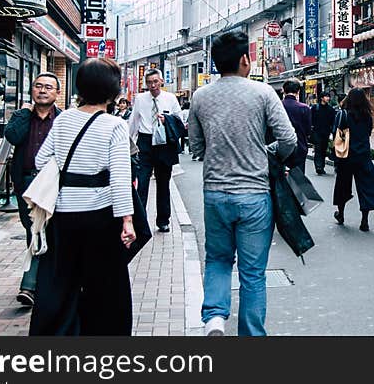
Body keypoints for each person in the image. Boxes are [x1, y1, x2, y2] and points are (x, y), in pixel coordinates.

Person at [187, 31, 297, 336]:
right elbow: (288, 139)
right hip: (254, 195)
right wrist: (268, 153)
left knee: (219, 260)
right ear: (244, 60)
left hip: (215, 194)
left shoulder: (200, 97)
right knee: (252, 274)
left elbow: (195, 148)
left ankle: (214, 320)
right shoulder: (263, 93)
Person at [28, 58, 135, 335]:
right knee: (106, 283)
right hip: (100, 214)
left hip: (63, 213)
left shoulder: (63, 119)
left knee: (62, 279)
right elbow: (120, 178)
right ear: (112, 91)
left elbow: (41, 160)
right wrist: (127, 220)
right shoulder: (114, 125)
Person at [3, 72, 61, 308]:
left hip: (51, 182)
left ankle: (31, 285)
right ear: (32, 91)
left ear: (57, 93)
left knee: (46, 230)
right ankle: (36, 284)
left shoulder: (62, 120)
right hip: (26, 182)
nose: (43, 91)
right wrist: (26, 113)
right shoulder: (21, 116)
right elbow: (13, 136)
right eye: (39, 86)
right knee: (33, 230)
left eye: (49, 87)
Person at [128, 68, 181, 233]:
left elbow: (179, 120)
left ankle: (163, 220)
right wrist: (128, 143)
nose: (152, 85)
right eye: (149, 82)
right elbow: (134, 121)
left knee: (163, 184)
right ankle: (140, 220)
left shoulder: (170, 98)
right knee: (142, 183)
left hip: (164, 143)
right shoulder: (140, 99)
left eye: (155, 82)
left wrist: (167, 120)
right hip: (145, 142)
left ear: (161, 82)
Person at [333, 88, 374, 232]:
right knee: (366, 188)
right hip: (363, 155)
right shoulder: (367, 116)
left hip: (346, 156)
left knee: (343, 186)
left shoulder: (343, 115)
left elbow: (336, 134)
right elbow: (368, 134)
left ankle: (341, 214)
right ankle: (364, 220)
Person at [281, 78, 312, 175]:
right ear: (298, 91)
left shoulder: (277, 105)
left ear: (283, 90)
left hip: (280, 147)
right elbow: (308, 130)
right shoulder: (304, 108)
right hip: (299, 146)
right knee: (298, 178)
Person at [310, 92, 337, 175]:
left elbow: (333, 121)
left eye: (328, 97)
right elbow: (310, 119)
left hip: (326, 132)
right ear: (321, 98)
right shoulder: (315, 108)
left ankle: (322, 166)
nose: (328, 98)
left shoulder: (330, 109)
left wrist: (332, 131)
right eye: (326, 96)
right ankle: (318, 167)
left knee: (323, 149)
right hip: (316, 132)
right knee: (318, 149)